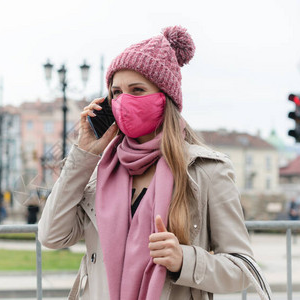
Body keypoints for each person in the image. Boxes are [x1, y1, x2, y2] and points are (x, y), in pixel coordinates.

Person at [38, 26, 266, 300]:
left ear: (165, 98)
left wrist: (185, 259)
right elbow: (51, 236)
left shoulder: (207, 171)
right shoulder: (101, 172)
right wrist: (84, 154)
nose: (124, 101)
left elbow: (243, 269)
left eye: (137, 90)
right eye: (117, 93)